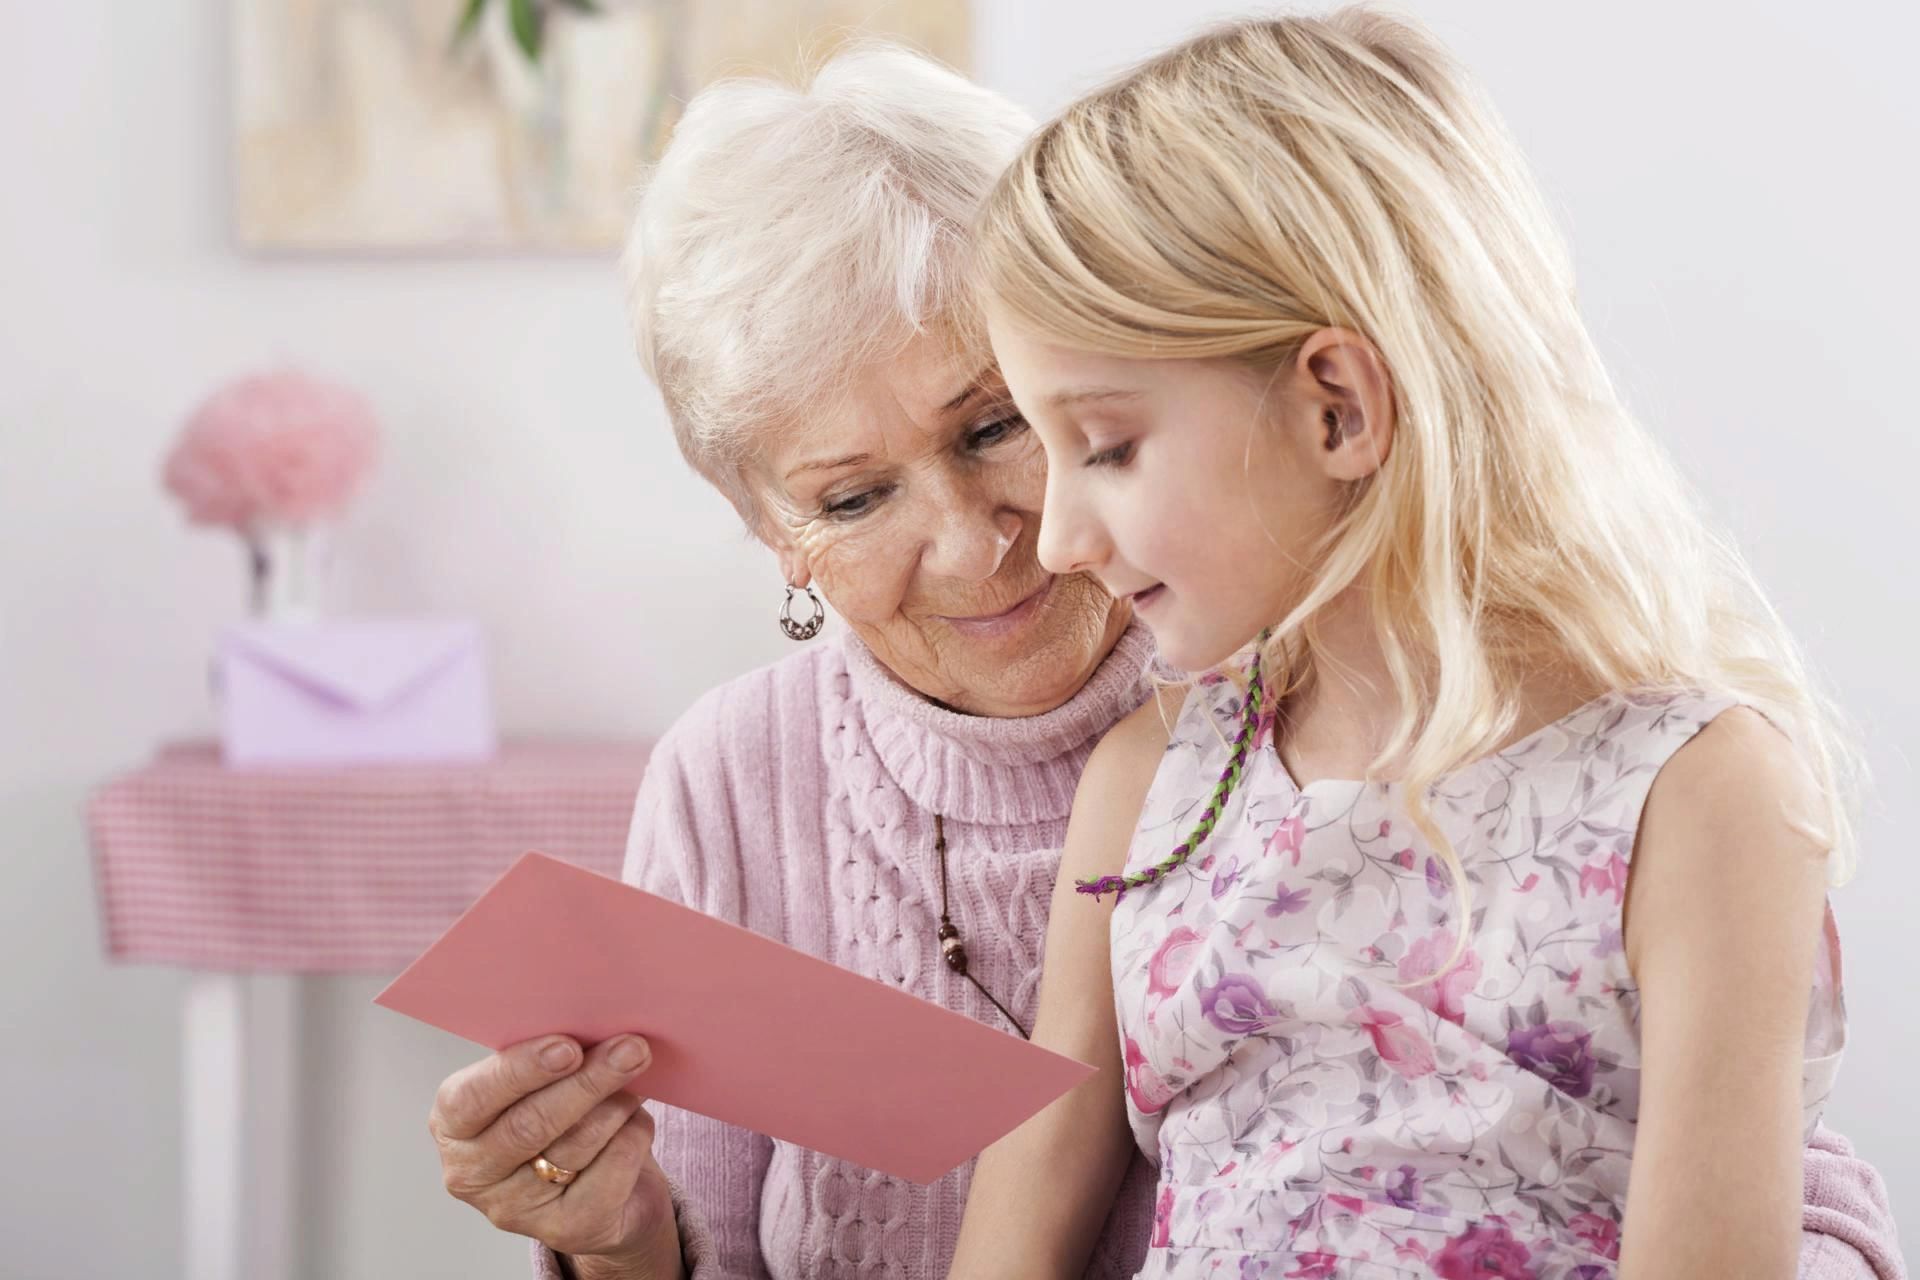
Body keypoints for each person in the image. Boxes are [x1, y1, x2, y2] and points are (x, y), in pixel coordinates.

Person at [417, 40, 1905, 1280]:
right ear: (769, 533)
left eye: (1008, 426)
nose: (1021, 537)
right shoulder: (775, 784)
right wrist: (618, 1242)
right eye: (853, 497)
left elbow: (1755, 1163)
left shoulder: (1638, 776)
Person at [951, 9, 1901, 1279]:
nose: (1060, 534)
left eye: (1109, 446)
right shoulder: (1154, 787)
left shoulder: (1701, 792)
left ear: (1338, 405)